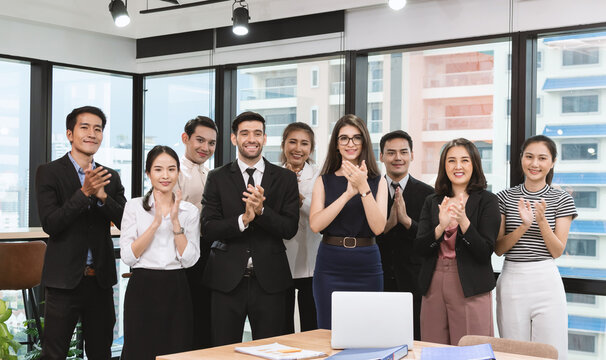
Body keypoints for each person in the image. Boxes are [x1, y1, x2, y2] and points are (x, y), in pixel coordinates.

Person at [35, 106, 126, 360]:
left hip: (100, 280)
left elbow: (125, 220)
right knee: (54, 354)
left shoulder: (111, 177)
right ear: (70, 134)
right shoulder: (49, 172)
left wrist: (102, 196)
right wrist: (84, 193)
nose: (92, 134)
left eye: (98, 129)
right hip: (63, 282)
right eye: (84, 127)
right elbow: (51, 223)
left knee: (100, 352)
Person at [201, 111, 300, 345]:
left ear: (265, 138)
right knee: (223, 351)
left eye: (257, 133)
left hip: (270, 281)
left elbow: (289, 228)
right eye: (244, 133)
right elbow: (208, 228)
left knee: (271, 351)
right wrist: (243, 220)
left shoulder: (285, 178)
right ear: (234, 138)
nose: (251, 139)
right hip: (225, 280)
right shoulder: (217, 177)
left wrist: (262, 212)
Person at [495, 135, 576, 360]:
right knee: (513, 351)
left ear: (552, 162)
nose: (535, 164)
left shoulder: (562, 199)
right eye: (529, 157)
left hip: (546, 279)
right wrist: (524, 226)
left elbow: (557, 251)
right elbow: (499, 248)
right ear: (521, 158)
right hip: (512, 278)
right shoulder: (503, 198)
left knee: (551, 351)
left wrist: (541, 223)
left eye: (542, 158)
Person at [414, 138, 499, 346]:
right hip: (433, 281)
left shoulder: (487, 201)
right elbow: (420, 248)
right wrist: (440, 227)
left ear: (474, 164)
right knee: (433, 347)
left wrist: (464, 222)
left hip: (470, 284)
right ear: (444, 165)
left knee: (470, 349)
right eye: (451, 161)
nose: (458, 166)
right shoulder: (432, 201)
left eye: (465, 160)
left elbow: (485, 250)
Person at [120, 145, 200, 359]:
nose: (165, 176)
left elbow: (190, 259)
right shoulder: (134, 206)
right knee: (139, 350)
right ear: (148, 173)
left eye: (171, 169)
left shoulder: (189, 211)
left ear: (178, 172)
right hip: (142, 287)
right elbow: (128, 256)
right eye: (158, 169)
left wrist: (175, 222)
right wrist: (154, 224)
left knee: (177, 350)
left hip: (177, 287)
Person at [309, 114, 388, 330]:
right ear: (336, 144)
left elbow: (378, 227)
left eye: (356, 138)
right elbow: (316, 225)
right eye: (344, 138)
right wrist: (346, 194)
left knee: (367, 332)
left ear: (364, 142)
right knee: (329, 331)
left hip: (367, 264)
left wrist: (362, 188)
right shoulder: (323, 180)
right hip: (331, 263)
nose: (350, 144)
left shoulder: (377, 180)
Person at [376, 130, 433, 340]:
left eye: (403, 152)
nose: (397, 158)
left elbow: (432, 240)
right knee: (378, 340)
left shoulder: (428, 194)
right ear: (381, 156)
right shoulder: (371, 191)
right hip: (377, 279)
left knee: (414, 342)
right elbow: (366, 236)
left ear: (412, 155)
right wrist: (389, 224)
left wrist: (407, 222)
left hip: (414, 283)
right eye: (391, 153)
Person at [176, 116, 217, 349]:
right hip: (182, 253)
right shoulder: (175, 171)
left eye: (211, 143)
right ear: (185, 138)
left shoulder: (211, 173)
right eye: (199, 140)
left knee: (205, 317)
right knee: (186, 317)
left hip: (208, 251)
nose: (205, 148)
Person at [280, 122, 322, 333]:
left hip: (313, 258)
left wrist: (298, 197)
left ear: (311, 148)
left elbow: (321, 214)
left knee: (311, 323)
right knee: (281, 324)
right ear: (283, 145)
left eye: (304, 143)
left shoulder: (319, 175)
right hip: (280, 260)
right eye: (292, 142)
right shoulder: (273, 175)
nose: (298, 148)